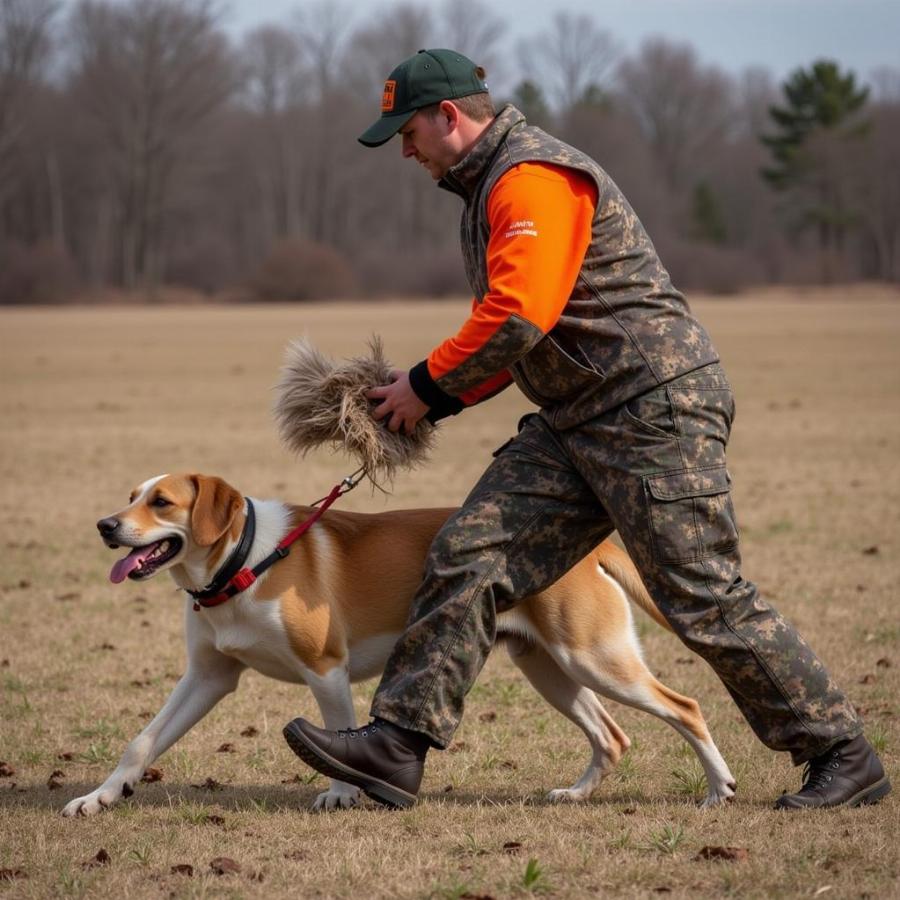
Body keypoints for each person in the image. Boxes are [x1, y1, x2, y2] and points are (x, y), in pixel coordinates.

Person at [283, 49, 889, 811]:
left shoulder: (531, 178)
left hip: (650, 408)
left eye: (407, 132)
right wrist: (428, 398)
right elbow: (529, 331)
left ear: (449, 117)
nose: (404, 150)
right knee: (469, 551)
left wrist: (426, 386)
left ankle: (841, 751)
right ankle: (397, 747)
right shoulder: (486, 192)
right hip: (576, 417)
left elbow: (518, 316)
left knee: (700, 591)